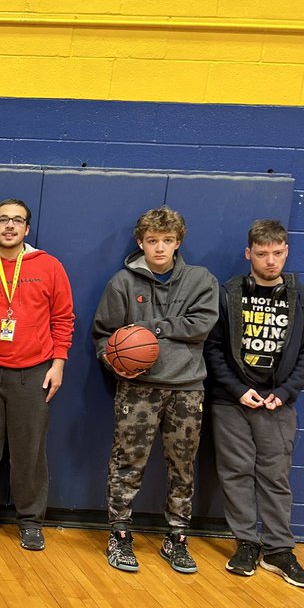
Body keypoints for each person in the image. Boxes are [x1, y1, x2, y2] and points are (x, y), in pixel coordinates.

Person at [92, 206, 218, 574]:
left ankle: (177, 537)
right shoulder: (122, 284)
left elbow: (201, 324)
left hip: (187, 387)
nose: (159, 248)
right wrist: (113, 359)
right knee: (127, 461)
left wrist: (153, 331)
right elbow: (103, 335)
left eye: (166, 241)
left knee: (183, 467)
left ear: (178, 242)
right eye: (152, 241)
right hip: (138, 390)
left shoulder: (200, 279)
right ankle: (119, 534)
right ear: (140, 242)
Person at [0, 199, 75, 551]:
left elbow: (63, 319)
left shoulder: (49, 266)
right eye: (3, 220)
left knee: (29, 451)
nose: (10, 226)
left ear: (26, 229)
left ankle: (30, 521)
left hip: (35, 372)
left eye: (17, 220)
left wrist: (59, 363)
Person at [203, 219, 304, 586]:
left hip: (278, 403)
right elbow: (212, 350)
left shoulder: (298, 296)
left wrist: (287, 391)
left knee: (276, 476)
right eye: (262, 254)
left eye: (277, 253)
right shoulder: (228, 293)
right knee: (236, 473)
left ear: (286, 251)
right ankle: (245, 542)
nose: (270, 261)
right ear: (249, 254)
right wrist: (234, 388)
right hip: (233, 401)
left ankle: (279, 550)